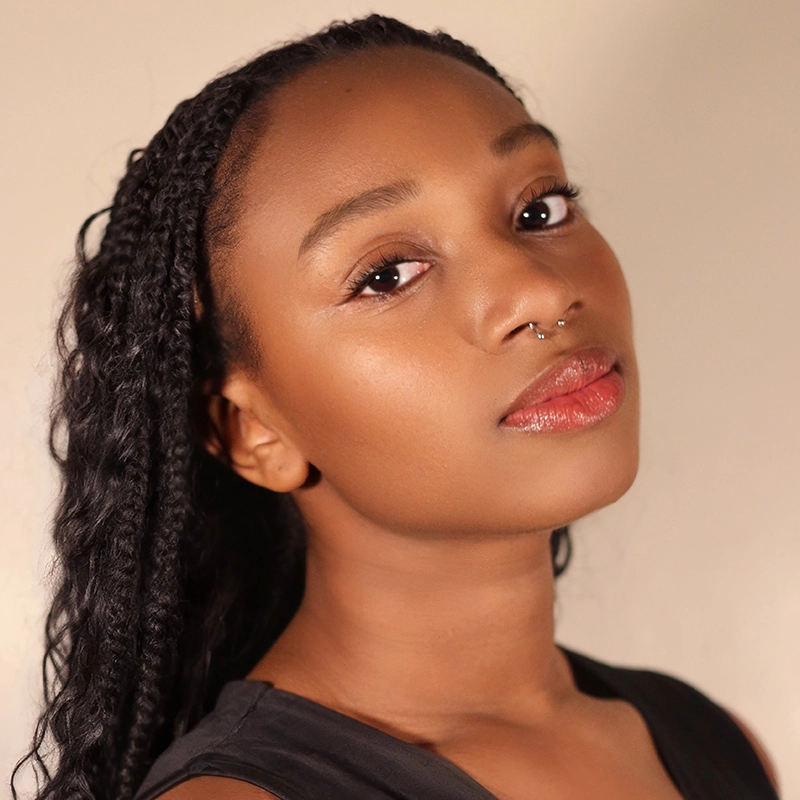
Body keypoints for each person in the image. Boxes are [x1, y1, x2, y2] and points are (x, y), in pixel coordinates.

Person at [14, 14, 780, 800]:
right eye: (386, 275)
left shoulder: (712, 742)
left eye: (539, 209)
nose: (543, 291)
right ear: (250, 430)